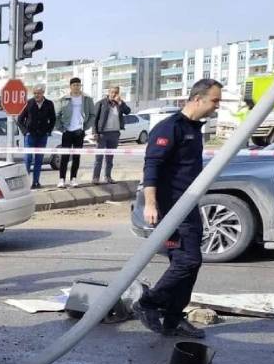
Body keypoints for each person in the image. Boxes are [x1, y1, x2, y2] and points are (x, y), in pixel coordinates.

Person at [133, 78, 223, 339]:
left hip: (188, 206)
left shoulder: (193, 129)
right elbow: (152, 168)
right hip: (170, 208)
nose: (217, 106)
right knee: (188, 260)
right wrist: (151, 205)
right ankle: (148, 302)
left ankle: (173, 319)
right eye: (214, 100)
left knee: (190, 264)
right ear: (198, 99)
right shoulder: (169, 128)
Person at [54, 77, 95, 188]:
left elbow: (92, 114)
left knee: (76, 157)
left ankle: (73, 179)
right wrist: (61, 128)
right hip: (67, 131)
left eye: (78, 85)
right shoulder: (64, 99)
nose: (76, 87)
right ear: (70, 86)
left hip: (79, 131)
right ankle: (62, 179)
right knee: (65, 157)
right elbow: (56, 116)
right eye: (74, 85)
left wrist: (85, 127)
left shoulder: (87, 99)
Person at [91, 85, 132, 184]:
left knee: (110, 158)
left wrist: (120, 102)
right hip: (102, 134)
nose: (114, 94)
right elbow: (94, 119)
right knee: (99, 158)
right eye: (113, 92)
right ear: (108, 92)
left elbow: (128, 111)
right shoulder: (101, 103)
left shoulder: (120, 104)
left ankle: (108, 177)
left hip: (114, 133)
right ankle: (95, 178)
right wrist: (95, 132)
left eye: (116, 92)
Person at [17, 84, 55, 189]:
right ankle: (25, 184)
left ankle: (36, 182)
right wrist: (25, 132)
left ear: (43, 93)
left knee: (39, 160)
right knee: (28, 159)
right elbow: (20, 120)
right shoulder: (28, 103)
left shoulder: (49, 104)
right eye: (34, 93)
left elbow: (53, 119)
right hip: (30, 136)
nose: (36, 95)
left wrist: (48, 131)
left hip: (42, 136)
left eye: (38, 93)